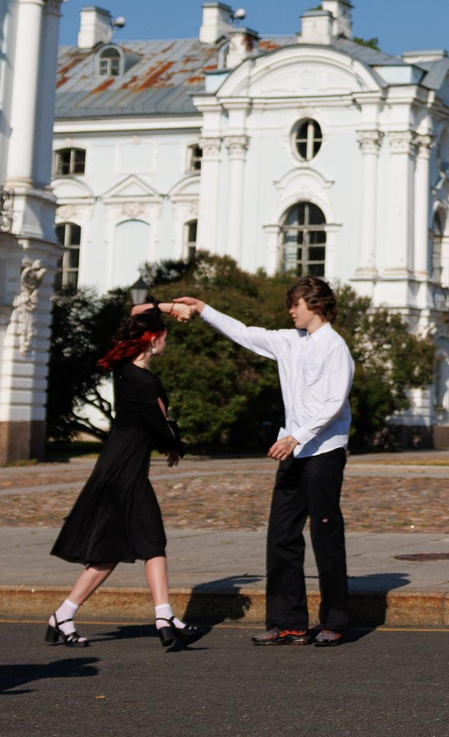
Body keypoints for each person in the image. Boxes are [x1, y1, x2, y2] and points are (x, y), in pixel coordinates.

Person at [165, 278, 355, 645]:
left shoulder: (335, 347)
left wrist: (296, 436)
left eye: (295, 303)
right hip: (293, 450)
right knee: (282, 536)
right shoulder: (288, 341)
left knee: (325, 535)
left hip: (324, 451)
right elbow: (244, 333)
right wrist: (204, 309)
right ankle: (288, 623)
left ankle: (335, 621)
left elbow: (334, 403)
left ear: (314, 304)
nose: (291, 310)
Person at [43, 307, 205, 650]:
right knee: (147, 541)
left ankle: (64, 615)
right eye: (164, 337)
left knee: (122, 547)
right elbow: (159, 424)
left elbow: (135, 311)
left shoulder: (125, 371)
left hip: (119, 465)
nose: (167, 342)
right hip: (125, 469)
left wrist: (167, 308)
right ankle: (161, 616)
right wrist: (174, 446)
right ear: (152, 340)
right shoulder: (144, 381)